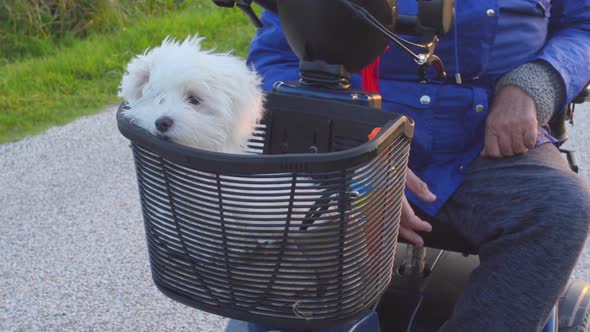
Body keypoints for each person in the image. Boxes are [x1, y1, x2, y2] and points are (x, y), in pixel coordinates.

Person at [246, 1, 590, 331]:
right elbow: (276, 57)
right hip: (358, 134)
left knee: (559, 208)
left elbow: (583, 24)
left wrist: (535, 85)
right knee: (267, 213)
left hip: (482, 139)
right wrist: (361, 161)